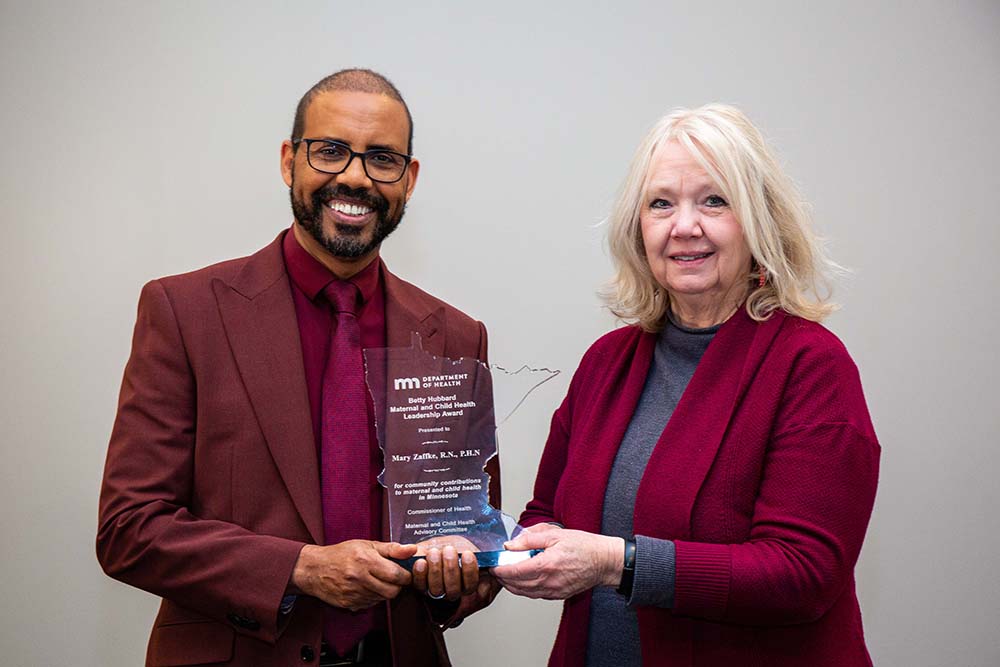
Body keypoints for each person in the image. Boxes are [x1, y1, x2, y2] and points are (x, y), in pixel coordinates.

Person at [97, 69, 498, 667]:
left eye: (382, 159)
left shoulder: (456, 337)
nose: (355, 178)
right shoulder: (185, 313)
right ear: (289, 161)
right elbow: (130, 529)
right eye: (330, 151)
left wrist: (459, 572)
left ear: (408, 180)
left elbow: (476, 543)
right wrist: (301, 569)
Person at [493, 104, 880, 666]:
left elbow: (803, 574)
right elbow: (546, 514)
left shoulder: (812, 366)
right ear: (638, 227)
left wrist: (613, 562)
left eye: (714, 201)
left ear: (759, 223)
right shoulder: (606, 362)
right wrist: (483, 548)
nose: (684, 226)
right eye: (661, 204)